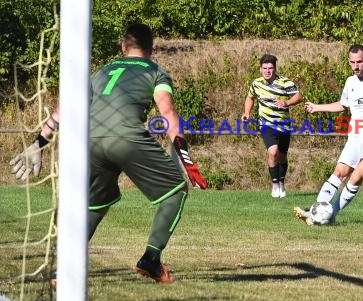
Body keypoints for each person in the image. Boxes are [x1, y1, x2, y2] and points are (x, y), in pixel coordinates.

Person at [9, 23, 207, 284]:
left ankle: (65, 269)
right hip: (126, 138)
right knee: (176, 190)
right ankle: (151, 259)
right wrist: (184, 155)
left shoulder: (100, 72)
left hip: (89, 141)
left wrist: (38, 144)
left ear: (123, 47)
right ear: (151, 48)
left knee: (98, 204)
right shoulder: (156, 71)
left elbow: (64, 108)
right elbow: (167, 111)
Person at [293, 44, 363, 224]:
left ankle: (330, 214)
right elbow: (343, 105)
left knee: (356, 176)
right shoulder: (350, 82)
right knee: (339, 172)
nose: (356, 66)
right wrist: (317, 107)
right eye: (352, 62)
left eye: (359, 62)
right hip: (356, 137)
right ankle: (316, 212)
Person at [242, 54, 302, 198]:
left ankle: (281, 182)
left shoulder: (284, 82)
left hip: (284, 125)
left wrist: (286, 102)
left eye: (270, 68)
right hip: (266, 124)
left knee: (282, 156)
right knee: (273, 152)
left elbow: (298, 96)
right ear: (260, 69)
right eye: (265, 68)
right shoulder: (256, 83)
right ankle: (274, 184)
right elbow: (250, 97)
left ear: (275, 69)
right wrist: (246, 112)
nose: (267, 71)